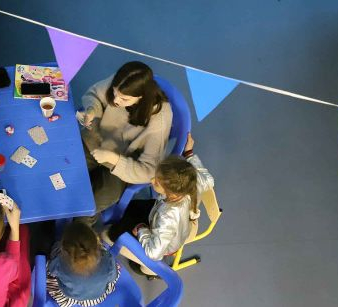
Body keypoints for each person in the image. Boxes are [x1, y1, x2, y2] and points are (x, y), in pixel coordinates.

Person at [76, 61, 173, 224]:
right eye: (114, 93)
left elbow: (148, 170)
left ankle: (76, 233)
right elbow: (93, 95)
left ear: (141, 97)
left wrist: (114, 159)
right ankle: (56, 214)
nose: (115, 101)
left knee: (89, 206)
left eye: (124, 99)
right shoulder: (119, 84)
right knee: (63, 174)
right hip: (95, 140)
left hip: (123, 164)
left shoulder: (159, 119)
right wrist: (92, 110)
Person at [103, 133, 214, 273]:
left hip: (165, 240)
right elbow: (209, 180)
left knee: (111, 234)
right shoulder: (191, 181)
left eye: (156, 182)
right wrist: (189, 153)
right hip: (173, 218)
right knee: (133, 207)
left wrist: (142, 229)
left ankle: (148, 271)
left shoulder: (168, 217)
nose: (151, 181)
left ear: (171, 192)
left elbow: (154, 253)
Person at [46, 222, 120, 306]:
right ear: (96, 241)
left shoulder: (59, 262)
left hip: (70, 297)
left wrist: (56, 247)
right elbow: (112, 277)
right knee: (112, 268)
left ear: (64, 249)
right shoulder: (107, 258)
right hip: (97, 296)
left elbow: (51, 270)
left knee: (48, 271)